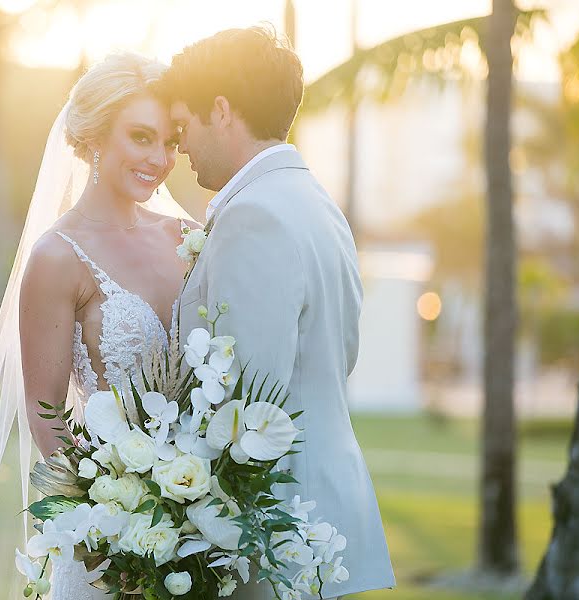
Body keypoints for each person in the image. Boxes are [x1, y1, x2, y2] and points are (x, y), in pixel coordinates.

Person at [0, 52, 196, 600]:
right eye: (142, 137)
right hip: (112, 537)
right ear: (96, 138)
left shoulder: (188, 237)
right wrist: (105, 526)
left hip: (201, 527)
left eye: (170, 142)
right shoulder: (58, 256)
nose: (161, 158)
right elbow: (44, 411)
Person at [160, 26, 395, 599]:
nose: (180, 148)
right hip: (324, 519)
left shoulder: (253, 217)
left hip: (273, 529)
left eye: (183, 127)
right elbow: (340, 354)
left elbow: (242, 402)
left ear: (220, 110)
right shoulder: (316, 202)